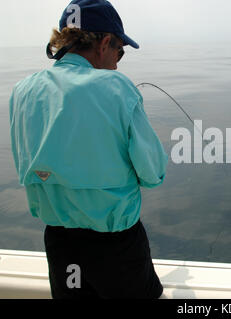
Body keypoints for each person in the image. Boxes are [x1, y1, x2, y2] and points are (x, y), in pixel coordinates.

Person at [9, 0, 168, 299]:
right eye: (120, 51)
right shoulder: (118, 88)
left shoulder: (21, 91)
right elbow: (153, 174)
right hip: (117, 249)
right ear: (105, 42)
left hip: (60, 247)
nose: (118, 62)